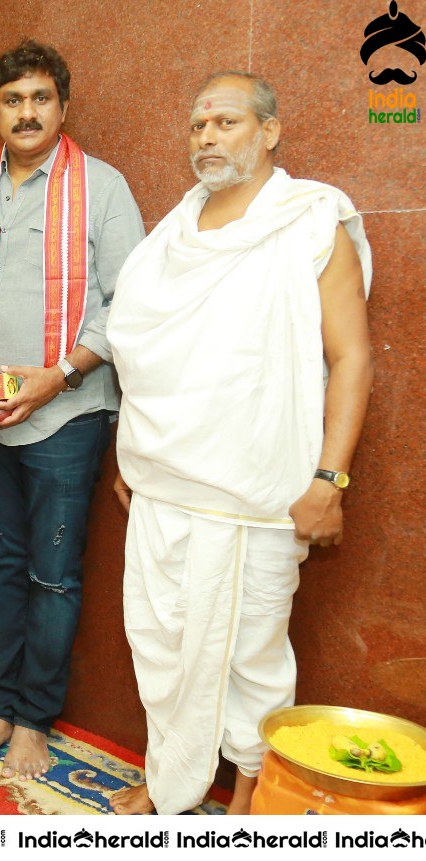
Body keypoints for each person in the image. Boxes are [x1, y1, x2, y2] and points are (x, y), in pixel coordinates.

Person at [107, 72, 372, 816]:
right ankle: (172, 775)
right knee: (160, 645)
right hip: (164, 483)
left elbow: (351, 356)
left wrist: (331, 479)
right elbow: (145, 352)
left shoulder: (309, 219)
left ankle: (253, 788)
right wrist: (135, 451)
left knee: (253, 654)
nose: (208, 138)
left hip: (262, 491)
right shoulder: (172, 233)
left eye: (225, 122)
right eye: (197, 126)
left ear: (269, 131)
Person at [0, 40, 144, 780]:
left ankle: (33, 718)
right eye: (12, 100)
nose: (26, 112)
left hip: (67, 416)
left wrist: (58, 376)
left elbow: (129, 306)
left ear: (63, 107)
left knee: (53, 573)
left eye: (40, 99)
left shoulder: (103, 188)